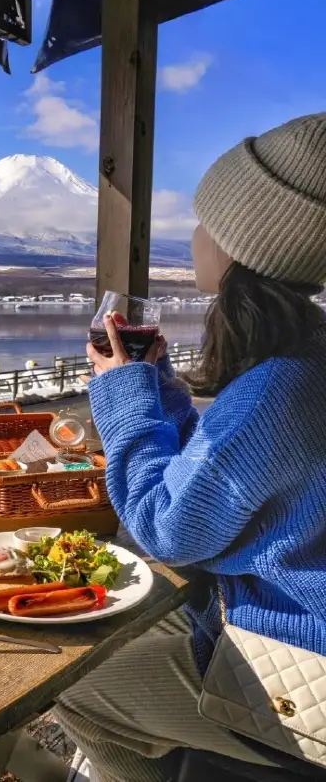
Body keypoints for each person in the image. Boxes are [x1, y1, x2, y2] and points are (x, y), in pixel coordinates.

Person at [54, 113, 326, 782]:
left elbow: (167, 527)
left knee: (75, 686)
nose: (196, 236)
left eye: (207, 222)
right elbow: (222, 484)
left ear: (243, 244)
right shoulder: (303, 364)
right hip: (291, 638)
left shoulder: (279, 387)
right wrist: (162, 392)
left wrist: (123, 396)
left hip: (294, 667)